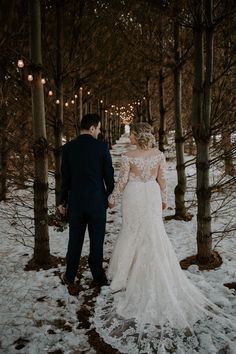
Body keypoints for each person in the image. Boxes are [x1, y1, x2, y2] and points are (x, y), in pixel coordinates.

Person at [94, 122, 236, 353]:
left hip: (134, 195)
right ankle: (144, 269)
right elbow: (163, 180)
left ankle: (125, 276)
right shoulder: (158, 154)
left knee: (131, 232)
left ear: (138, 137)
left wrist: (113, 199)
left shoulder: (128, 155)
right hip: (150, 194)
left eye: (132, 135)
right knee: (152, 233)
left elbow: (121, 181)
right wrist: (163, 200)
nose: (129, 138)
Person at [58, 113, 114, 294]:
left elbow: (64, 178)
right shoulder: (102, 147)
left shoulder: (68, 148)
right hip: (97, 202)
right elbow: (109, 177)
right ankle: (98, 276)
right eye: (98, 128)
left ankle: (70, 275)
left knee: (75, 240)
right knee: (97, 241)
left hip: (76, 202)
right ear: (92, 128)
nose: (99, 132)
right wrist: (108, 197)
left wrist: (62, 201)